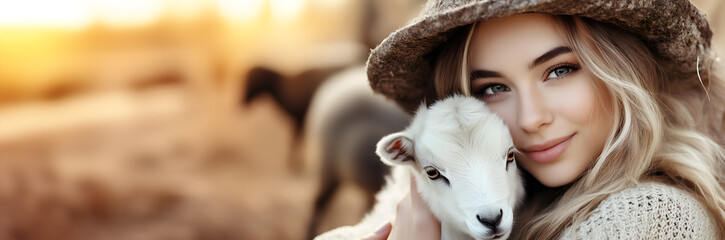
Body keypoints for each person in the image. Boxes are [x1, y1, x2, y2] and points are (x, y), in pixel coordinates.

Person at [361, 0, 725, 239]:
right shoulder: (501, 189)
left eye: (560, 70)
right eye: (492, 88)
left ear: (623, 68)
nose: (532, 119)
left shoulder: (653, 219)